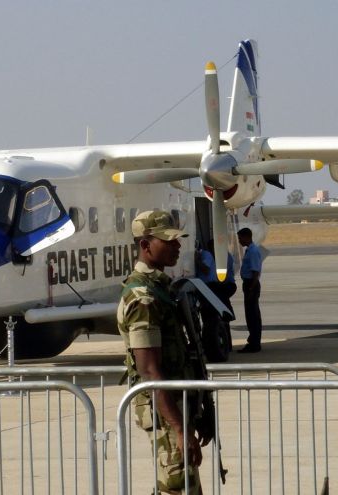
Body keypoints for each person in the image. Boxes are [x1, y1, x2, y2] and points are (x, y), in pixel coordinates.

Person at [117, 210, 208, 494]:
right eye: (168, 241)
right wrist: (180, 429)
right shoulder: (144, 298)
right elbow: (150, 372)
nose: (177, 246)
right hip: (165, 412)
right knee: (179, 487)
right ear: (145, 246)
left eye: (176, 240)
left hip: (175, 408)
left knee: (181, 485)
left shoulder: (159, 289)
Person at [237, 227, 264, 353]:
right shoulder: (250, 250)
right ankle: (253, 341)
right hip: (249, 284)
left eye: (240, 238)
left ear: (247, 237)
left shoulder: (252, 251)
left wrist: (251, 289)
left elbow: (255, 272)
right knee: (251, 314)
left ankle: (254, 343)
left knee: (252, 315)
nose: (239, 241)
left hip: (250, 284)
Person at [195, 240, 237, 317]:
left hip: (227, 284)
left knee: (221, 300)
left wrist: (197, 261)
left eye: (212, 248)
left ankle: (227, 316)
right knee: (221, 301)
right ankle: (226, 317)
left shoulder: (223, 257)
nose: (211, 250)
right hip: (222, 283)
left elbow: (208, 270)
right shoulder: (217, 256)